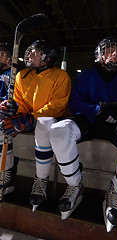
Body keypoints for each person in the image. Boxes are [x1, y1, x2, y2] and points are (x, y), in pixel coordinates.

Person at [45, 37, 117, 230]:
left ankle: (116, 192)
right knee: (57, 131)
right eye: (108, 51)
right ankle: (75, 185)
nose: (113, 54)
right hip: (90, 121)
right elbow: (75, 104)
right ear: (98, 55)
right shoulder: (85, 76)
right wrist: (99, 109)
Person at [0, 40, 71, 211]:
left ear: (48, 58)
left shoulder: (61, 75)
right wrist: (14, 108)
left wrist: (31, 118)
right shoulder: (21, 75)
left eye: (36, 52)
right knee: (2, 124)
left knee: (43, 125)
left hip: (48, 120)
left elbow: (57, 106)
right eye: (30, 51)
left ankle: (41, 180)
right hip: (28, 118)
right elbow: (21, 102)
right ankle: (6, 175)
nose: (30, 55)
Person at [0, 42, 19, 195]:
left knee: (2, 127)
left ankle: (6, 175)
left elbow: (16, 100)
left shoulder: (15, 74)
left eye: (2, 54)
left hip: (10, 113)